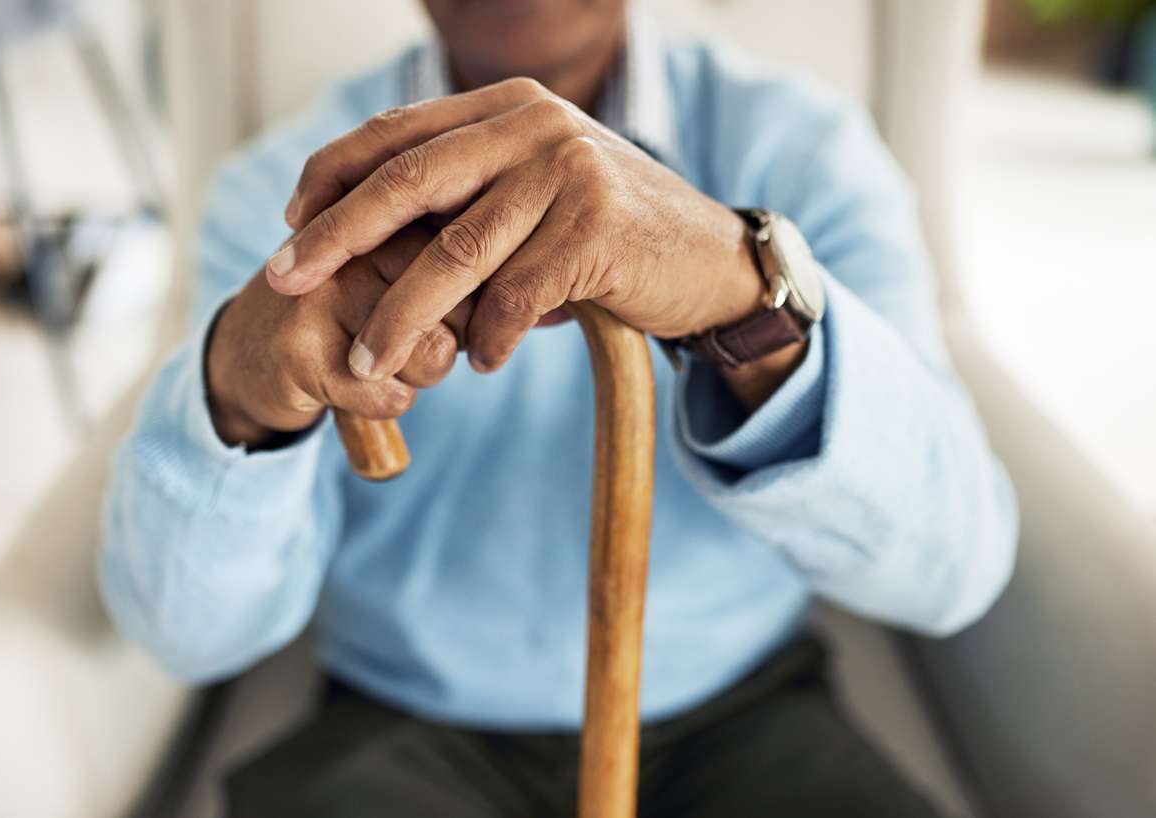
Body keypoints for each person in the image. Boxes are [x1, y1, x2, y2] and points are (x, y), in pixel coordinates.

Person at [100, 1, 1017, 815]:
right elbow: (182, 632)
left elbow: (951, 570)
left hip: (739, 709)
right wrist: (240, 388)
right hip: (396, 720)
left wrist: (745, 296)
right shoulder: (279, 192)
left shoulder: (802, 145)